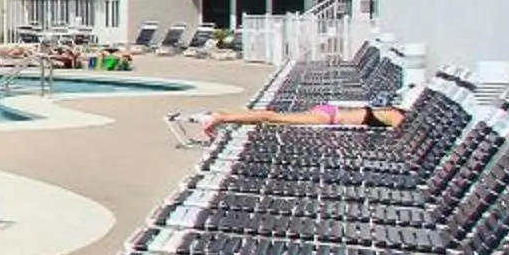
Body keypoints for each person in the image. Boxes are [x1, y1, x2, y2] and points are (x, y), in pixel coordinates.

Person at [167, 100, 403, 146]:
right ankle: (220, 116)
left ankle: (218, 115)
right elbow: (396, 121)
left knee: (270, 119)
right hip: (327, 118)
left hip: (329, 112)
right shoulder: (397, 116)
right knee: (271, 117)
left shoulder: (395, 113)